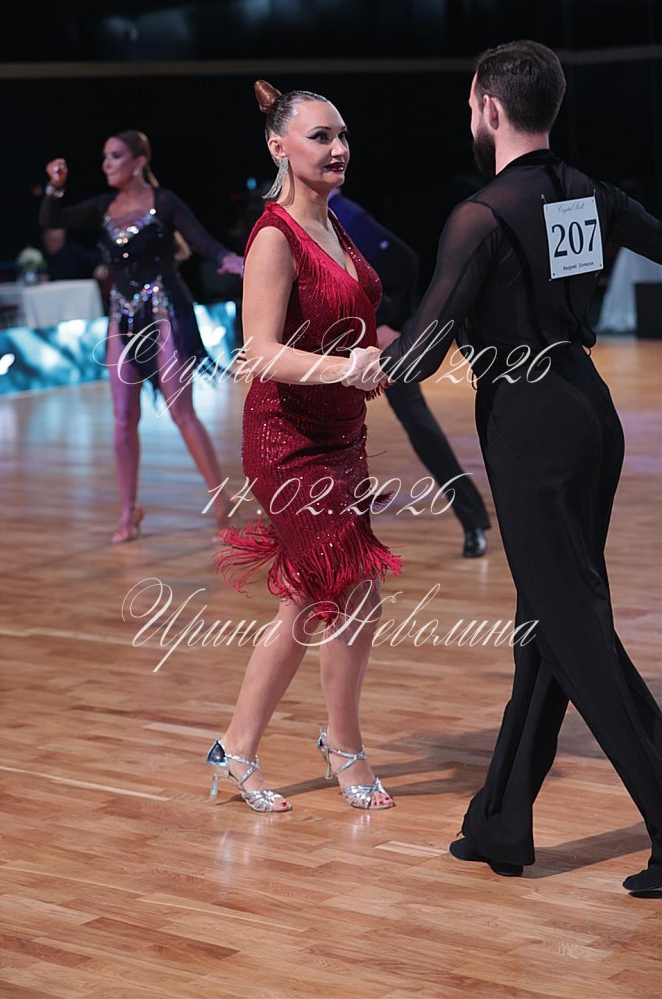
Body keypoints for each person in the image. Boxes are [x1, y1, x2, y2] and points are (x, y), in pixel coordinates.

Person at [343, 40, 662, 893]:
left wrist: (364, 357)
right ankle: (500, 819)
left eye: (469, 103)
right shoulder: (587, 193)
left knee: (572, 624)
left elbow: (422, 351)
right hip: (589, 410)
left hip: (532, 426)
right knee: (546, 624)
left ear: (488, 106)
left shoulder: (480, 215)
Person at [209, 80, 401, 813]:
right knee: (354, 592)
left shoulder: (335, 224)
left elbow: (344, 320)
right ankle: (344, 745)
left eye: (342, 134)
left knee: (306, 598)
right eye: (321, 136)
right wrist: (343, 368)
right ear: (278, 147)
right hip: (286, 439)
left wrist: (382, 351)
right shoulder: (274, 235)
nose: (339, 147)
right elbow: (256, 351)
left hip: (342, 434)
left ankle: (236, 748)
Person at [40, 130, 243, 543]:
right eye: (104, 157)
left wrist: (229, 260)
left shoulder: (164, 202)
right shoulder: (103, 207)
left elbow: (202, 241)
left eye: (115, 156)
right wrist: (54, 188)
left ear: (138, 162)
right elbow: (51, 220)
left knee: (181, 411)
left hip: (165, 310)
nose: (106, 164)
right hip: (123, 316)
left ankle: (222, 504)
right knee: (122, 418)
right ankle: (129, 511)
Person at [328, 187, 491, 556]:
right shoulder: (300, 218)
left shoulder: (346, 213)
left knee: (419, 426)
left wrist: (390, 321)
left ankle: (472, 519)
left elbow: (405, 262)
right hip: (327, 346)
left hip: (371, 345)